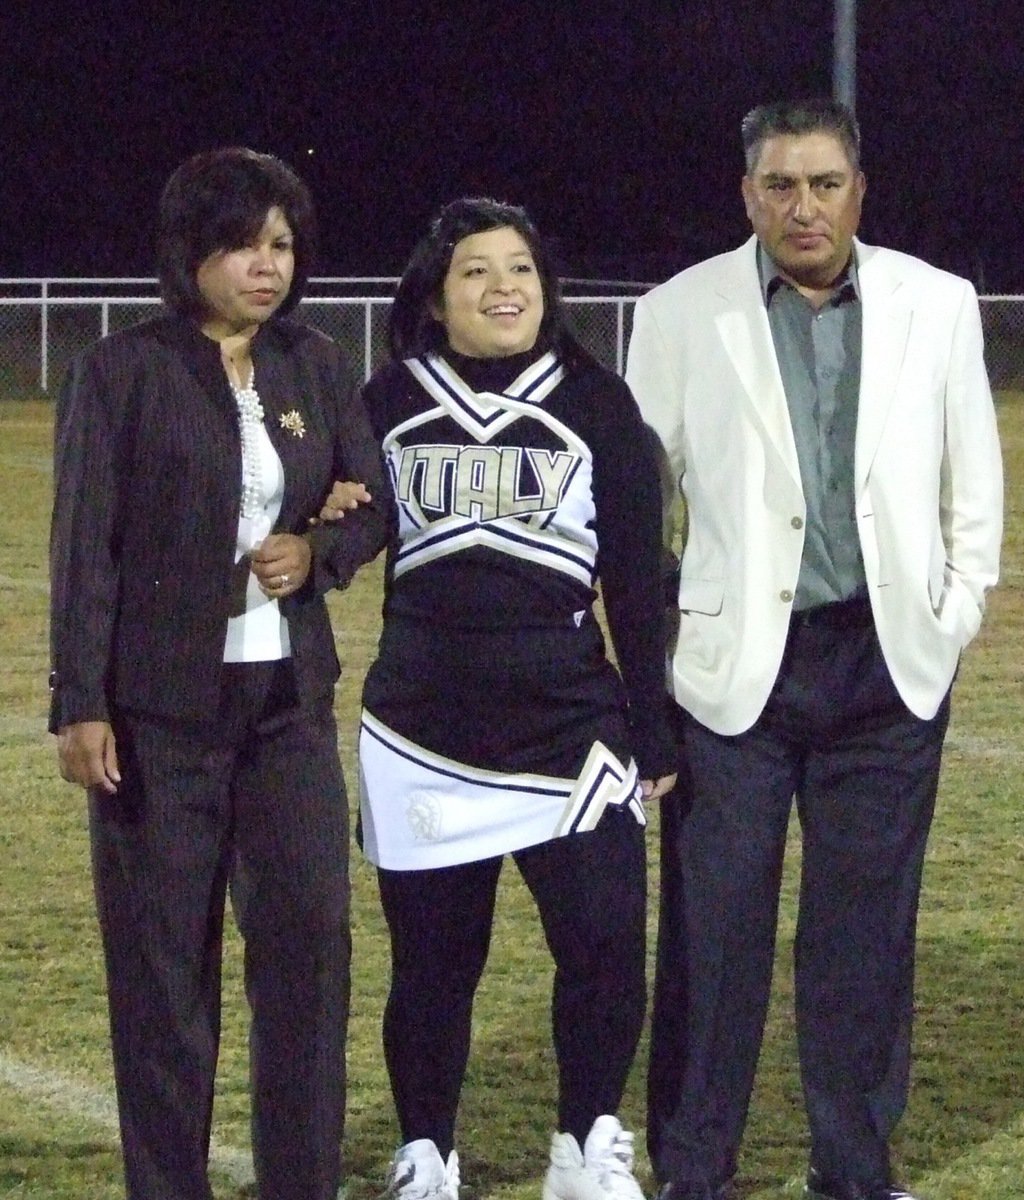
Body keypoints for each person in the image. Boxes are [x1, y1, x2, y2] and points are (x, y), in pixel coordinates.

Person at [625, 100, 1003, 1200]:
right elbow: (639, 504)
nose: (803, 207)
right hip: (730, 678)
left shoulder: (935, 303)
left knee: (862, 947)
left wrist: (955, 609)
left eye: (823, 183)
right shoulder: (678, 310)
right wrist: (651, 651)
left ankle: (852, 1169)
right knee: (710, 944)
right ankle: (693, 1171)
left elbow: (969, 479)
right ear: (746, 194)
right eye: (779, 185)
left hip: (883, 671)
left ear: (857, 190)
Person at [48, 147, 387, 1200]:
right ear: (190, 250)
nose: (264, 265)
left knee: (309, 956)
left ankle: (301, 1182)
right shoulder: (124, 371)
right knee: (162, 978)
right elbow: (84, 543)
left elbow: (368, 499)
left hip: (284, 711)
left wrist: (315, 550)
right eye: (241, 243)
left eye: (282, 244)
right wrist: (82, 702)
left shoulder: (318, 365)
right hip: (158, 721)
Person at [325, 196, 676, 1200]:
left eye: (518, 267)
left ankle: (586, 1145)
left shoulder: (597, 400)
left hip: (572, 719)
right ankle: (428, 1152)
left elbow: (633, 580)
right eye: (476, 270)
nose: (503, 287)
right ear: (435, 297)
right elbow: (345, 526)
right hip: (422, 725)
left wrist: (648, 724)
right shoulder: (388, 398)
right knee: (434, 963)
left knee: (604, 942)